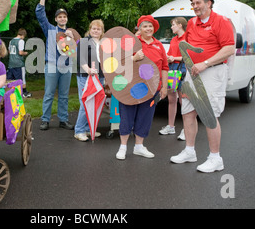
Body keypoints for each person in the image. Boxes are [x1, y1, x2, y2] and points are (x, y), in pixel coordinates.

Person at [170, 0, 235, 173]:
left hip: (212, 71)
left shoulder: (221, 21)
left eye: (198, 3)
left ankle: (215, 158)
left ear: (209, 3)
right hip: (193, 71)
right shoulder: (191, 23)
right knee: (188, 111)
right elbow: (188, 44)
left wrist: (205, 63)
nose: (195, 7)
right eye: (193, 4)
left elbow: (229, 48)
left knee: (209, 114)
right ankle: (190, 151)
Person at [116, 15, 168, 160]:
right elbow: (119, 63)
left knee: (145, 117)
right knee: (127, 116)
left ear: (154, 28)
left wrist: (164, 87)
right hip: (131, 87)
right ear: (139, 28)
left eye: (150, 26)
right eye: (145, 26)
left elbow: (164, 67)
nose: (148, 28)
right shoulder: (131, 43)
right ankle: (123, 147)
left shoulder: (159, 45)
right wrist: (134, 58)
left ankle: (139, 146)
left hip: (152, 89)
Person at [35, 0, 74, 130]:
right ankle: (45, 120)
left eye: (64, 16)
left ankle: (63, 120)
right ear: (56, 19)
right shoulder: (50, 29)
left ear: (67, 19)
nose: (62, 18)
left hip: (66, 66)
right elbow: (40, 14)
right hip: (52, 64)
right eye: (59, 17)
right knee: (49, 93)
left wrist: (72, 38)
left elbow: (75, 50)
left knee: (64, 95)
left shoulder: (71, 32)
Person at [74, 20, 106, 141]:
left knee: (94, 103)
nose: (96, 31)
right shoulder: (84, 42)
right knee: (85, 103)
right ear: (90, 29)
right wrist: (88, 70)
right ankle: (79, 130)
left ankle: (88, 129)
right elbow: (80, 59)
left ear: (102, 31)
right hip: (85, 76)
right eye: (94, 28)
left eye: (98, 29)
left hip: (100, 76)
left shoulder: (103, 43)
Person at [159, 17, 187, 140]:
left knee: (183, 100)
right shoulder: (174, 39)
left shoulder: (187, 38)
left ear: (180, 25)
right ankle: (171, 126)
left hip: (183, 69)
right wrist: (169, 58)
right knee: (172, 99)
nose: (171, 27)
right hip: (173, 68)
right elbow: (171, 54)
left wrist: (174, 58)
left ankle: (187, 129)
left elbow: (189, 57)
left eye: (173, 25)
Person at [8, 28, 31, 98]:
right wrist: (25, 53)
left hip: (11, 63)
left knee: (11, 79)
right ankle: (24, 93)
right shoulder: (21, 41)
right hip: (19, 63)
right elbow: (20, 52)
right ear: (23, 35)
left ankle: (11, 93)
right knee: (22, 79)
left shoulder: (11, 41)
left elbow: (9, 51)